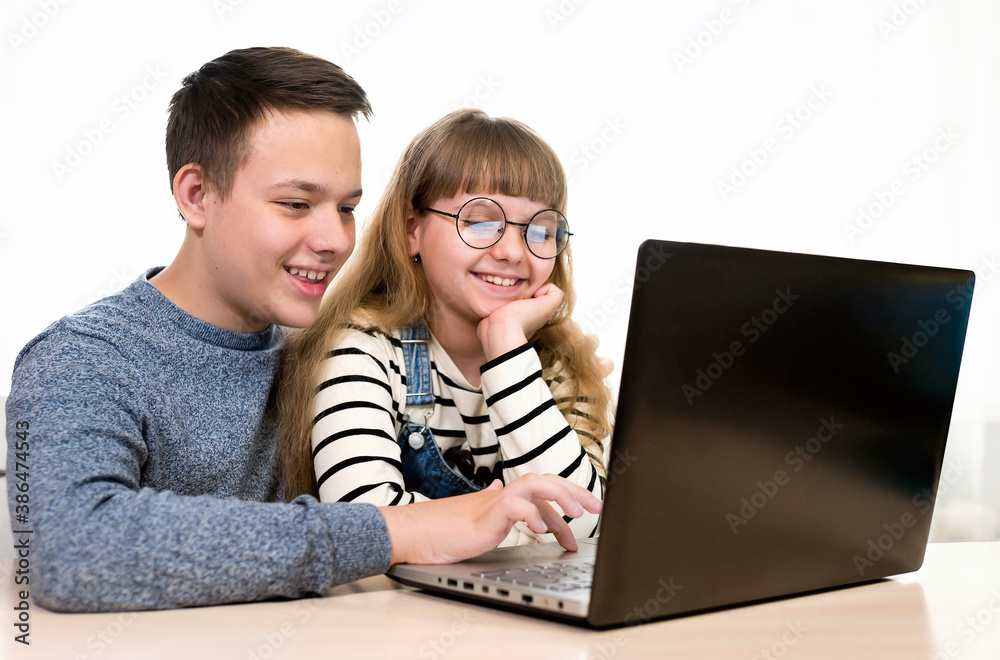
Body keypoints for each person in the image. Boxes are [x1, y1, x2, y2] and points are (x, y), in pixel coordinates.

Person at [5, 48, 601, 612]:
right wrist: (402, 529)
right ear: (196, 195)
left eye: (346, 207)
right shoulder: (79, 360)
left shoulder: (315, 351)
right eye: (296, 204)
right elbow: (66, 549)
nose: (337, 239)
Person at [278, 109, 613, 545]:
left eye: (540, 230)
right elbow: (363, 527)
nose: (513, 251)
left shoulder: (560, 366)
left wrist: (508, 351)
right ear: (412, 229)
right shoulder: (363, 350)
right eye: (479, 222)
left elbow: (584, 526)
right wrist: (518, 529)